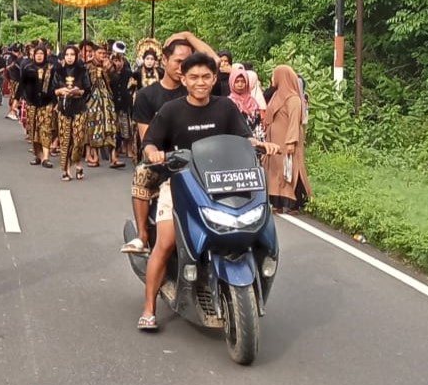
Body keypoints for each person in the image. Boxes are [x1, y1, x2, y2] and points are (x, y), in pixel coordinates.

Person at [138, 52, 279, 331]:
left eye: (206, 77)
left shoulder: (225, 108)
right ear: (183, 79)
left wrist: (262, 145)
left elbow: (243, 137)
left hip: (224, 182)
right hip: (180, 183)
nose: (200, 82)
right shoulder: (171, 111)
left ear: (215, 79)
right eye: (193, 77)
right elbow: (150, 143)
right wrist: (154, 154)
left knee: (257, 225)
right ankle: (149, 308)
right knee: (166, 242)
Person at [121, 32, 217, 254]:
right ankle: (143, 235)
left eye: (188, 62)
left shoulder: (196, 88)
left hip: (203, 160)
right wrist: (160, 155)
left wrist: (188, 36)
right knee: (143, 172)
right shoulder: (147, 95)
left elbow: (214, 63)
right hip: (166, 161)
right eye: (179, 61)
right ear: (164, 60)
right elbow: (148, 139)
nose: (183, 67)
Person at [264, 65, 313, 214]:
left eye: (275, 75)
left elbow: (294, 122)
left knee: (291, 171)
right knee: (276, 171)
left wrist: (291, 142)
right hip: (274, 142)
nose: (273, 79)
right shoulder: (276, 95)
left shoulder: (293, 99)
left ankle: (293, 204)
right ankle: (277, 203)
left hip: (287, 141)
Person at [53, 45, 91, 181]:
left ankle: (77, 162)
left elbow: (87, 90)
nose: (69, 57)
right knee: (65, 139)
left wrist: (77, 91)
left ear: (76, 56)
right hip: (64, 108)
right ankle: (66, 169)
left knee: (78, 139)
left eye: (72, 55)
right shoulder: (58, 71)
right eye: (67, 54)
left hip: (79, 107)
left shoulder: (82, 71)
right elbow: (54, 89)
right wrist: (61, 91)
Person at [19, 45, 57, 168]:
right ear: (33, 55)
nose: (39, 56)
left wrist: (56, 102)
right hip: (32, 103)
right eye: (37, 54)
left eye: (42, 53)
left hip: (47, 103)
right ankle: (38, 155)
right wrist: (17, 100)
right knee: (33, 130)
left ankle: (46, 157)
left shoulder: (51, 68)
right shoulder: (28, 68)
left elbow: (56, 85)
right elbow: (22, 86)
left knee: (45, 128)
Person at [84, 43, 117, 169]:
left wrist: (108, 70)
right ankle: (95, 156)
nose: (103, 56)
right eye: (100, 53)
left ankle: (114, 157)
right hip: (93, 100)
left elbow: (115, 82)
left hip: (107, 99)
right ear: (94, 53)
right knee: (94, 126)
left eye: (104, 54)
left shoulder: (110, 66)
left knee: (111, 126)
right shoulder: (87, 66)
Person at [109, 42, 135, 167]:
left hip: (125, 102)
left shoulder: (128, 72)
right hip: (113, 102)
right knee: (115, 128)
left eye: (119, 60)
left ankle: (129, 148)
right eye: (115, 60)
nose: (117, 63)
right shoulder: (110, 73)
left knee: (126, 126)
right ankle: (116, 150)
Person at [226, 66, 265, 140]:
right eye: (237, 82)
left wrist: (261, 142)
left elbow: (258, 124)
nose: (240, 84)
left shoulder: (253, 102)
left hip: (256, 141)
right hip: (237, 141)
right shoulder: (229, 102)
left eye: (243, 81)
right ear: (231, 82)